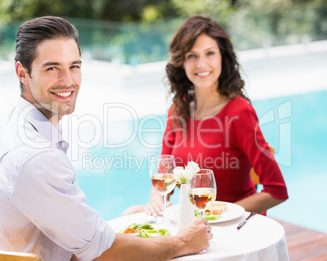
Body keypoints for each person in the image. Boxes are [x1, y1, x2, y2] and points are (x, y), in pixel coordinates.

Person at [0, 16, 212, 261]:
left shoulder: (11, 121)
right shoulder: (35, 155)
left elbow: (59, 229)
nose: (68, 80)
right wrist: (184, 243)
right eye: (52, 68)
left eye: (74, 66)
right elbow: (105, 252)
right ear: (22, 72)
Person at [123, 15, 288, 217]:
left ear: (222, 58)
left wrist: (219, 213)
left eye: (209, 53)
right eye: (192, 55)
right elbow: (165, 177)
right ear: (181, 62)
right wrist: (157, 198)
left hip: (233, 223)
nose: (201, 64)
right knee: (130, 214)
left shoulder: (239, 112)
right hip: (194, 220)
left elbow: (277, 191)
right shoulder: (178, 109)